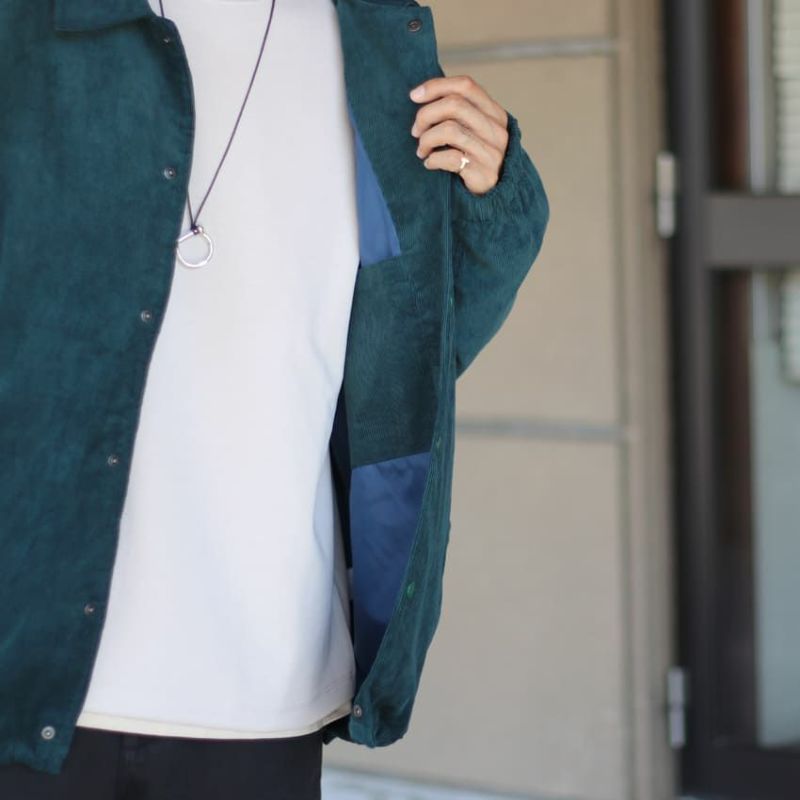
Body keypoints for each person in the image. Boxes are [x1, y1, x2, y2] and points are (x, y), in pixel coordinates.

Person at [0, 0, 550, 797]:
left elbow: (416, 362)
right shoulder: (32, 26)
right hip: (30, 659)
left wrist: (493, 187)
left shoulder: (377, 49)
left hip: (264, 680)